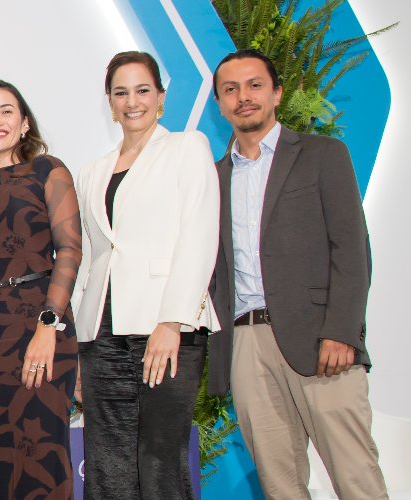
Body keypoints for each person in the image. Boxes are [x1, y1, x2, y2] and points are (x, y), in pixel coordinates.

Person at [206, 49, 386, 499]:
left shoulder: (323, 155)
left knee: (356, 477)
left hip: (320, 340)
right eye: (230, 89)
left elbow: (352, 249)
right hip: (245, 344)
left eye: (254, 85)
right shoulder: (212, 178)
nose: (243, 97)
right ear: (219, 103)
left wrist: (342, 331)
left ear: (277, 93)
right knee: (279, 484)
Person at [72, 51, 219, 500]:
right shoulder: (92, 171)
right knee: (106, 462)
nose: (132, 101)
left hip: (165, 328)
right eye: (121, 93)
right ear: (109, 102)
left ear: (160, 97)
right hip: (102, 335)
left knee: (159, 459)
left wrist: (172, 321)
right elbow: (92, 258)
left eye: (142, 90)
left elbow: (198, 236)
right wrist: (78, 342)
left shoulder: (187, 148)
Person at [0, 80, 82, 500]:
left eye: (6, 111)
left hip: (38, 325)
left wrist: (47, 326)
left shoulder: (48, 171)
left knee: (41, 456)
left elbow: (70, 250)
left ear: (24, 123)